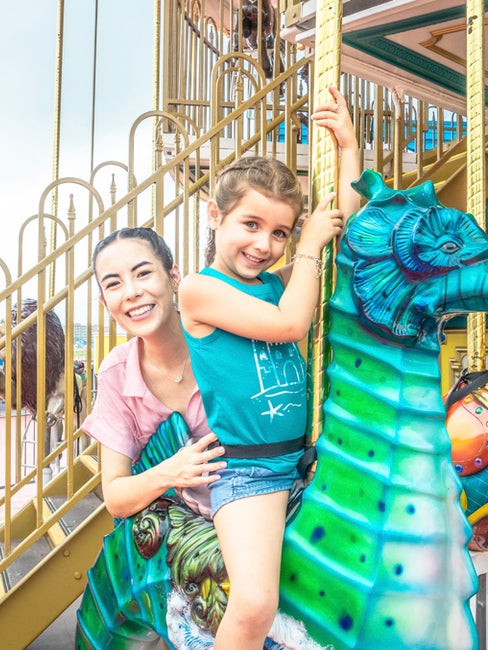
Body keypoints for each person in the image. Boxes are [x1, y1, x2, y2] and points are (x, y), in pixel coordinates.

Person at [177, 86, 359, 650]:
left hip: (307, 459)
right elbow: (288, 326)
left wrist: (348, 144)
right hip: (251, 473)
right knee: (255, 601)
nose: (265, 244)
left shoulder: (280, 282)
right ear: (216, 216)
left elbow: (341, 218)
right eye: (251, 225)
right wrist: (306, 248)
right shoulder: (199, 290)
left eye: (279, 232)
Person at [84, 227, 227, 520]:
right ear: (105, 304)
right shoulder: (116, 373)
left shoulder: (223, 340)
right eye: (113, 284)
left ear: (174, 276)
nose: (132, 292)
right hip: (183, 533)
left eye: (143, 274)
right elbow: (115, 496)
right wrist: (171, 471)